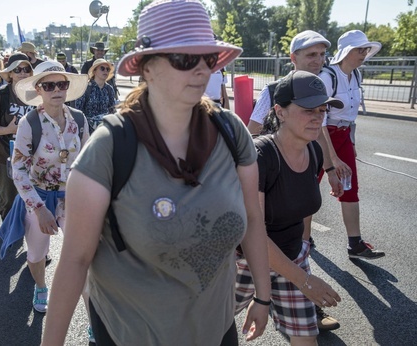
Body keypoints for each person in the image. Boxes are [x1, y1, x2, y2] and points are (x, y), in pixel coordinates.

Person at [42, 0, 271, 344]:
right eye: (184, 59)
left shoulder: (230, 131)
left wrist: (263, 297)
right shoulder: (110, 147)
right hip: (134, 334)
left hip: (216, 329)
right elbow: (75, 260)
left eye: (208, 59)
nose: (201, 71)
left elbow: (252, 217)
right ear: (146, 68)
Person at [235, 71, 343, 345]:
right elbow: (252, 231)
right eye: (308, 110)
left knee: (306, 338)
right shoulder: (260, 156)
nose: (318, 117)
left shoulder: (315, 151)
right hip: (243, 262)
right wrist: (304, 280)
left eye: (322, 109)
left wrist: (303, 250)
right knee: (201, 331)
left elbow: (305, 208)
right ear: (280, 112)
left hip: (292, 256)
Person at [0, 61, 89, 313]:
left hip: (72, 198)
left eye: (62, 84)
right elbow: (19, 170)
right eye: (49, 85)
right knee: (37, 254)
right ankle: (40, 287)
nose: (56, 89)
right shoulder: (30, 122)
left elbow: (88, 163)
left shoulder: (79, 120)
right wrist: (39, 209)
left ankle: (93, 314)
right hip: (38, 196)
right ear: (39, 89)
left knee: (82, 259)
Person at [318, 30, 385, 260]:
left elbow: (351, 116)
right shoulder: (328, 77)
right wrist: (333, 159)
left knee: (350, 188)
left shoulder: (356, 75)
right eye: (360, 50)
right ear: (346, 52)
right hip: (321, 137)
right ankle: (301, 238)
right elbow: (320, 122)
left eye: (366, 49)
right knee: (306, 187)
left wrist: (351, 143)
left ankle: (355, 244)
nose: (364, 54)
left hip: (344, 136)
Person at [0, 52, 35, 220]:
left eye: (26, 69)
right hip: (5, 155)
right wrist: (10, 129)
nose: (23, 73)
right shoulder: (0, 95)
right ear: (10, 73)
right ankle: (8, 232)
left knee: (31, 199)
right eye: (18, 70)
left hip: (33, 155)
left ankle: (26, 233)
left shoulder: (37, 94)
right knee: (9, 199)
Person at [75, 58, 116, 133]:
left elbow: (112, 109)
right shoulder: (85, 87)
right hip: (87, 131)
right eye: (102, 68)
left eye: (107, 69)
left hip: (104, 130)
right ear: (94, 71)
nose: (105, 71)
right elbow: (78, 111)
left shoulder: (109, 89)